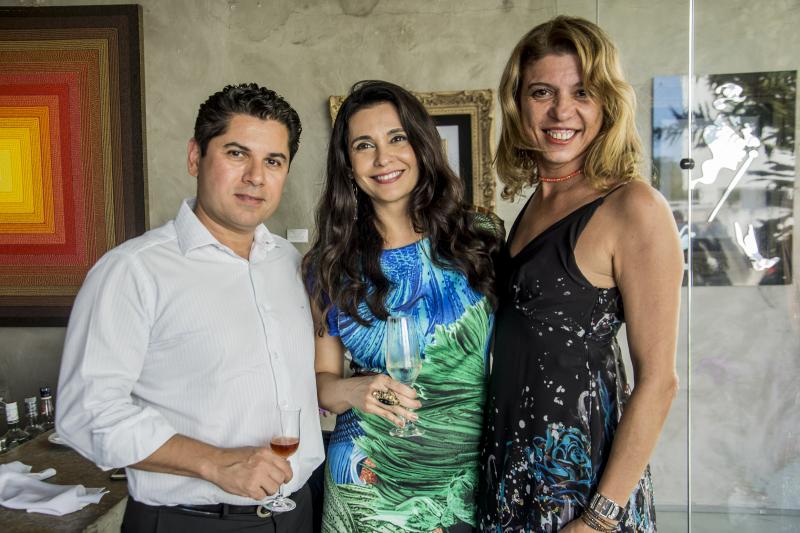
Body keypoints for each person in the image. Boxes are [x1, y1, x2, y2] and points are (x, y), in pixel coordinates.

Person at [56, 83, 324, 532]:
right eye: (237, 154)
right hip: (189, 521)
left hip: (296, 513)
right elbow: (85, 413)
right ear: (195, 157)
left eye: (273, 161)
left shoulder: (291, 263)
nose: (256, 176)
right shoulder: (133, 271)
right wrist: (214, 462)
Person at [478, 16, 683, 533]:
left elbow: (658, 383)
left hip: (582, 490)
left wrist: (598, 518)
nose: (561, 111)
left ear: (607, 104)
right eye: (542, 92)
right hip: (511, 478)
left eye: (582, 92)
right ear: (518, 104)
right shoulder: (533, 206)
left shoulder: (634, 207)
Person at [303, 80, 501, 532]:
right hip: (369, 483)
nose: (382, 158)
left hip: (469, 480)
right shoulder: (328, 264)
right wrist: (353, 391)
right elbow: (322, 381)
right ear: (347, 164)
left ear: (421, 145)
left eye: (397, 138)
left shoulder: (480, 236)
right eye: (364, 145)